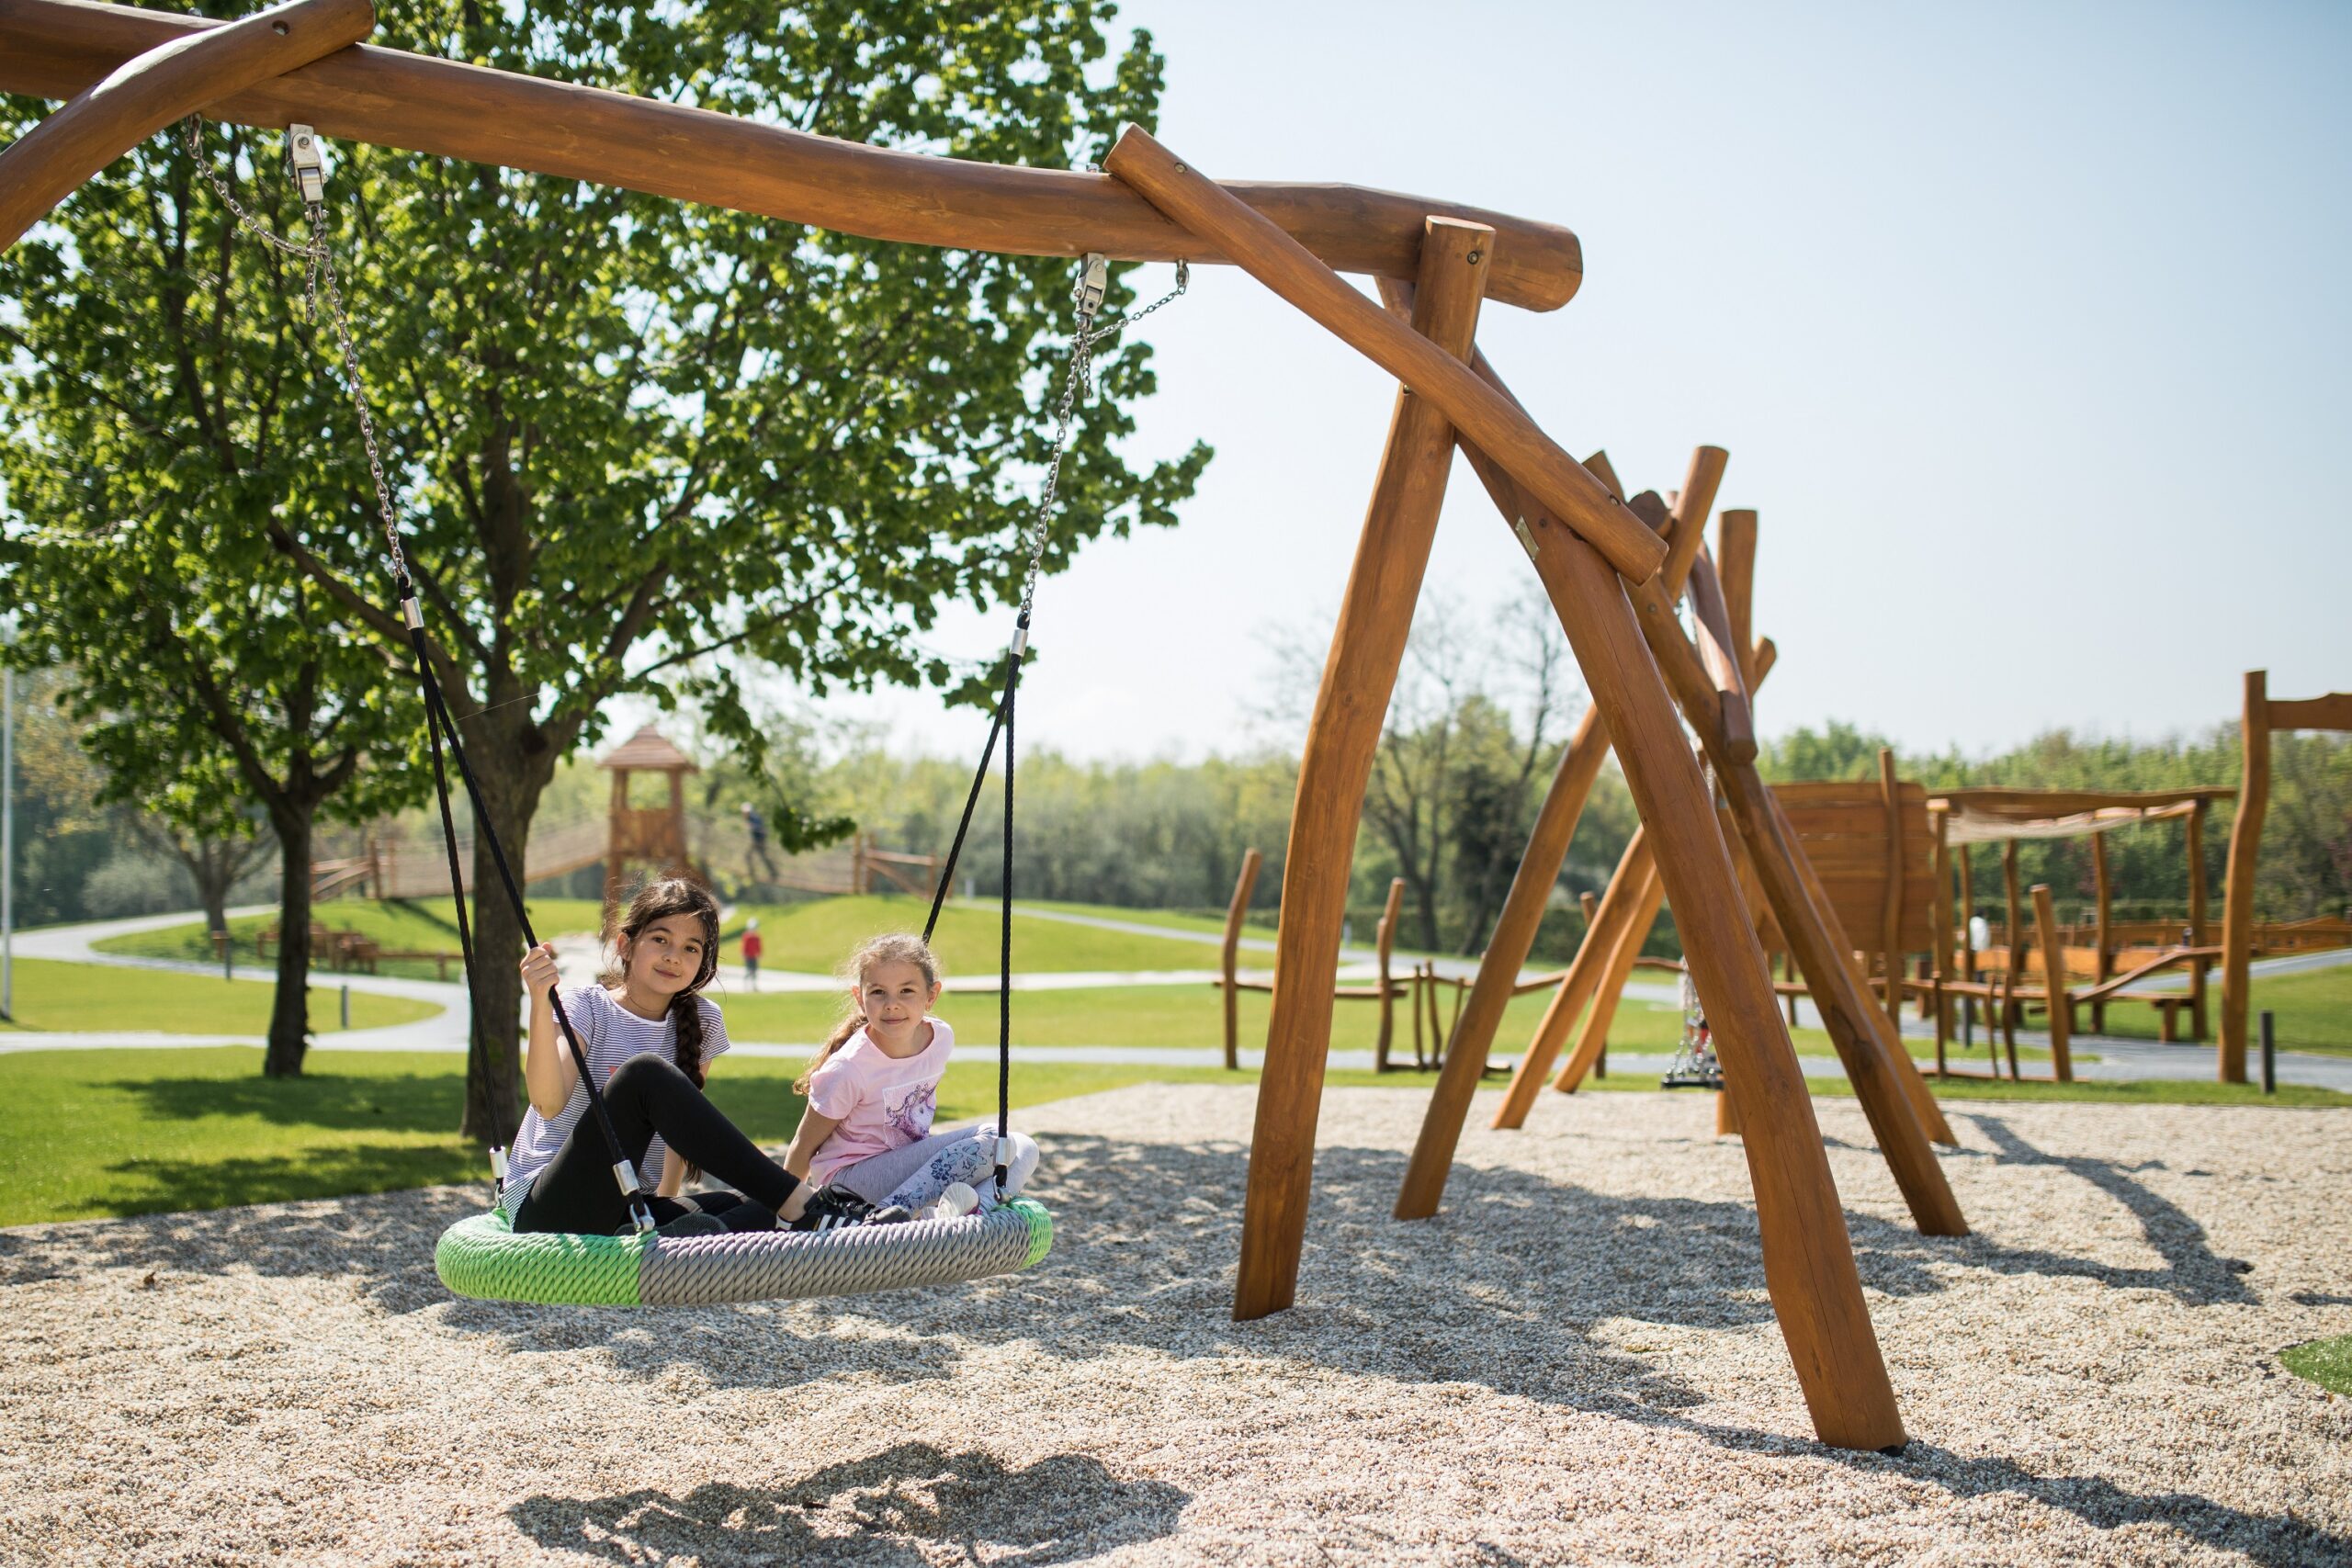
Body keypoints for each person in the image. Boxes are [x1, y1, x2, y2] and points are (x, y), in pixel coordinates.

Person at [503, 878, 906, 1236]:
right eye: (660, 939)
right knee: (643, 1075)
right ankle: (806, 1203)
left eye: (690, 948)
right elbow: (547, 1103)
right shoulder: (586, 1007)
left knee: (763, 1208)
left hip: (627, 1207)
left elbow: (681, 1134)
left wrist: (664, 1205)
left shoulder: (702, 1020)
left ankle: (680, 1238)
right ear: (625, 945)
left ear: (702, 963)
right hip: (548, 1208)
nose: (673, 956)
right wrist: (540, 1001)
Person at [781, 932, 1040, 1217]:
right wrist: (780, 1215)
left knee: (1024, 1146)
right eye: (878, 992)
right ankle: (886, 1216)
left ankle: (971, 1212)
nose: (892, 1004)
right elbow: (803, 1145)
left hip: (904, 1170)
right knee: (994, 1142)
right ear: (860, 998)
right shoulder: (848, 1068)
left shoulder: (940, 1039)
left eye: (906, 991)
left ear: (931, 995)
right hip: (849, 1184)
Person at [741, 918, 763, 993]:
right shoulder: (747, 936)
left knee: (754, 971)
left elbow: (758, 947)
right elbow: (744, 946)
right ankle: (746, 985)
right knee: (749, 971)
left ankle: (754, 986)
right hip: (748, 957)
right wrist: (743, 954)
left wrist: (759, 954)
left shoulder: (757, 937)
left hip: (754, 957)